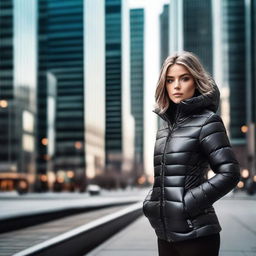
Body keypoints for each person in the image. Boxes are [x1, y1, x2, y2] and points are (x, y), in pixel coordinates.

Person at [142, 51, 241, 256]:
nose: (176, 86)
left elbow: (229, 173)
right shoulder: (164, 129)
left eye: (184, 78)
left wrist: (187, 204)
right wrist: (151, 203)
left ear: (195, 81)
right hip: (165, 235)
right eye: (170, 80)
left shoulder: (208, 121)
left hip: (197, 235)